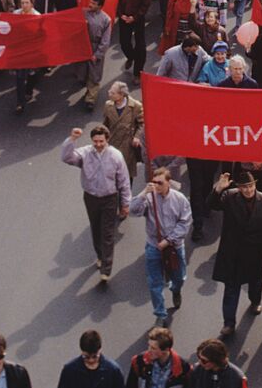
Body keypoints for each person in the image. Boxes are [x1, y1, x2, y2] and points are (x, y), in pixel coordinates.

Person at [61, 126, 132, 284]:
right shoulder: (85, 153)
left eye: (101, 141)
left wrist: (125, 203)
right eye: (95, 141)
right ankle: (100, 255)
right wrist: (72, 139)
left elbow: (124, 181)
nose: (98, 144)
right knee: (96, 228)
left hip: (109, 198)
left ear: (107, 139)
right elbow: (66, 158)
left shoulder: (116, 156)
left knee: (107, 233)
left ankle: (106, 269)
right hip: (91, 197)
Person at [211, 170, 262, 338]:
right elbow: (212, 204)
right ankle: (228, 323)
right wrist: (218, 189)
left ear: (255, 184)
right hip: (233, 252)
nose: (248, 190)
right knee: (231, 289)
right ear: (238, 188)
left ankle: (255, 301)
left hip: (254, 251)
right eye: (244, 187)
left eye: (251, 186)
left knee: (255, 282)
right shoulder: (230, 197)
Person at [129, 168, 192, 326]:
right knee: (154, 283)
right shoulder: (149, 198)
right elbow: (133, 211)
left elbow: (185, 223)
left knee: (179, 277)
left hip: (174, 247)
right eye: (154, 182)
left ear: (168, 183)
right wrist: (144, 193)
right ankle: (160, 313)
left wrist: (169, 240)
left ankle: (176, 289)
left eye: (160, 183)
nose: (157, 186)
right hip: (154, 246)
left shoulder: (180, 199)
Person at [123, 326, 190, 388]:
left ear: (166, 350)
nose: (149, 350)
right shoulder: (139, 362)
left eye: (153, 348)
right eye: (149, 345)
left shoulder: (183, 368)